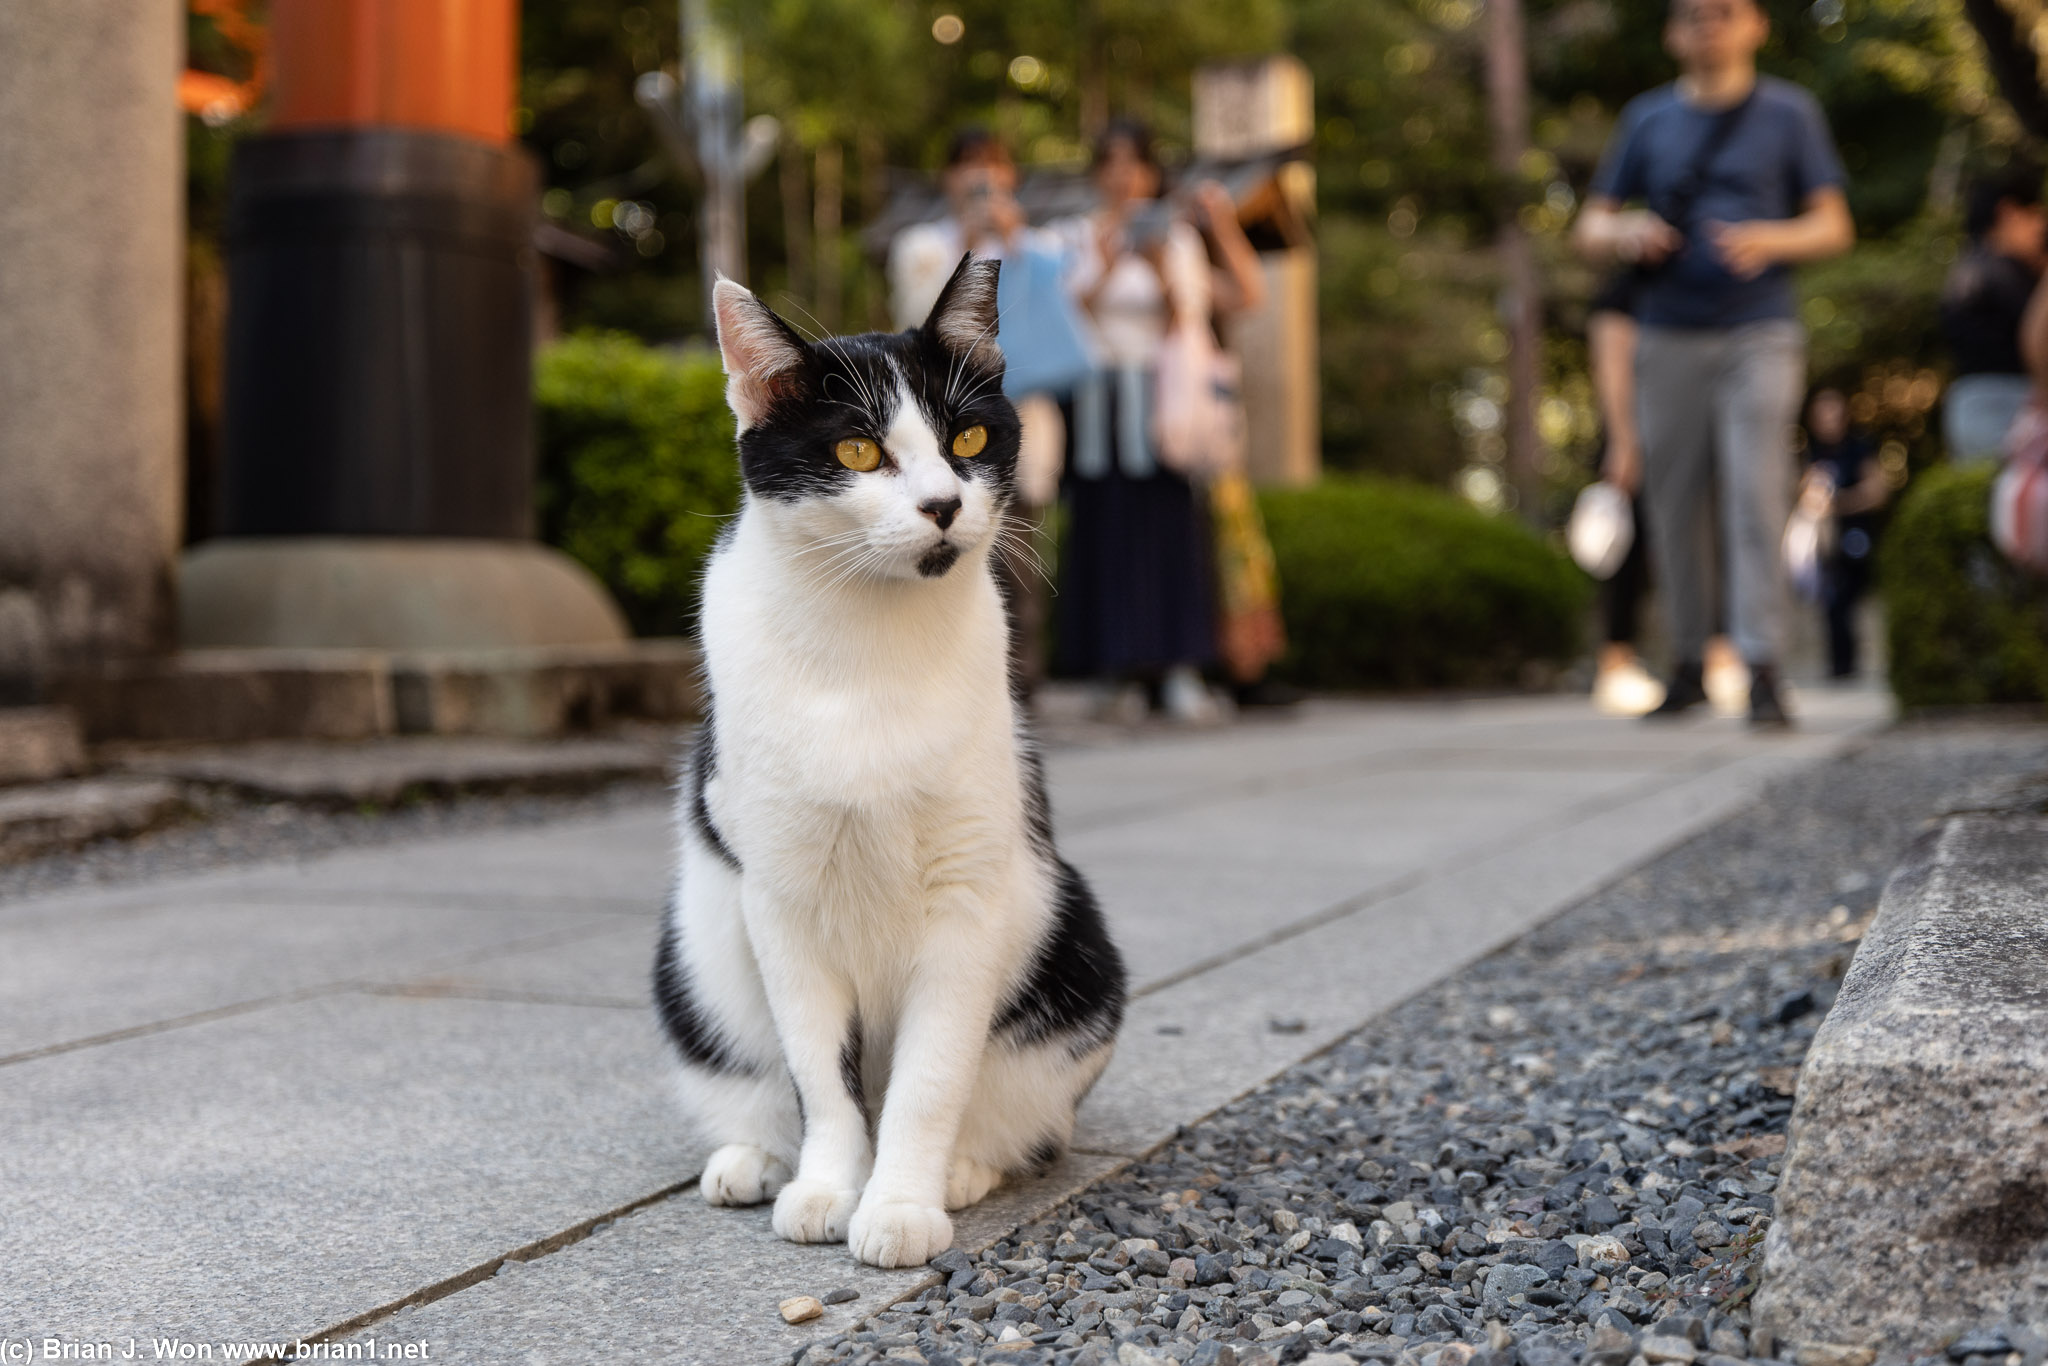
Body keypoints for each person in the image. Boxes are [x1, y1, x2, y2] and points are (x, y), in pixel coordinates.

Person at [1574, 0, 1854, 729]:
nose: (1708, 25)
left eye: (1723, 11)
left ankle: (1762, 663)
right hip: (1667, 335)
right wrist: (1627, 228)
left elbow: (1833, 223)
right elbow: (1590, 225)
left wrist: (1770, 239)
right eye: (1693, 14)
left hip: (1758, 330)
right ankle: (1691, 661)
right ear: (1672, 34)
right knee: (1673, 500)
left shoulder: (1790, 114)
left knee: (1755, 488)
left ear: (1755, 25)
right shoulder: (1646, 120)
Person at [888, 128, 1084, 697]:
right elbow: (911, 322)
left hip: (1022, 416)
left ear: (1011, 177)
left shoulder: (1041, 247)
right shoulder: (923, 244)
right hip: (938, 425)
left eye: (993, 165)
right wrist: (967, 249)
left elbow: (1070, 313)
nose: (981, 178)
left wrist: (1014, 241)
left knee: (1019, 544)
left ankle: (1021, 682)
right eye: (968, 166)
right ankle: (945, 684)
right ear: (948, 179)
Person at [1051, 121, 1219, 723]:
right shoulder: (1073, 235)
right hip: (1096, 393)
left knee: (1167, 524)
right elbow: (1063, 316)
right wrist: (1101, 262)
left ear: (1151, 171)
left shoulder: (1174, 236)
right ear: (1098, 173)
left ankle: (1178, 667)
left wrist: (1155, 264)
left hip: (1159, 394)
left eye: (1134, 163)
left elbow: (1189, 323)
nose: (1122, 176)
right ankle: (1109, 669)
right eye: (1110, 163)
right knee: (1103, 524)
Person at [1939, 166, 2047, 464]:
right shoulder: (2003, 271)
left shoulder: (1968, 267)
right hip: (2004, 405)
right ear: (2009, 212)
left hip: (1966, 405)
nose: (2041, 227)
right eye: (2035, 215)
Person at [1797, 387, 1888, 679]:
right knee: (1830, 602)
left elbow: (1877, 491)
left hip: (1855, 536)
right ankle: (1838, 665)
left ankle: (1849, 662)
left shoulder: (1859, 447)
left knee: (1847, 599)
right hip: (1823, 540)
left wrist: (1839, 504)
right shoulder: (1811, 452)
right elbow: (1800, 494)